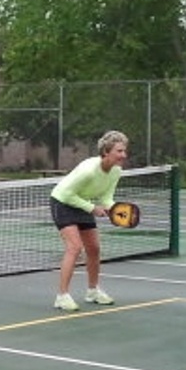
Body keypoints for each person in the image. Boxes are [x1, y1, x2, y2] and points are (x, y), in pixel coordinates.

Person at [48, 130, 129, 310]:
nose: (124, 155)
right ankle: (62, 296)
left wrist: (115, 209)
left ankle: (92, 292)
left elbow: (107, 198)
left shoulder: (116, 172)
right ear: (106, 152)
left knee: (94, 248)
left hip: (82, 202)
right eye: (119, 151)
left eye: (124, 151)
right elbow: (68, 195)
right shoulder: (88, 171)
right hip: (62, 202)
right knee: (75, 247)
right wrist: (92, 208)